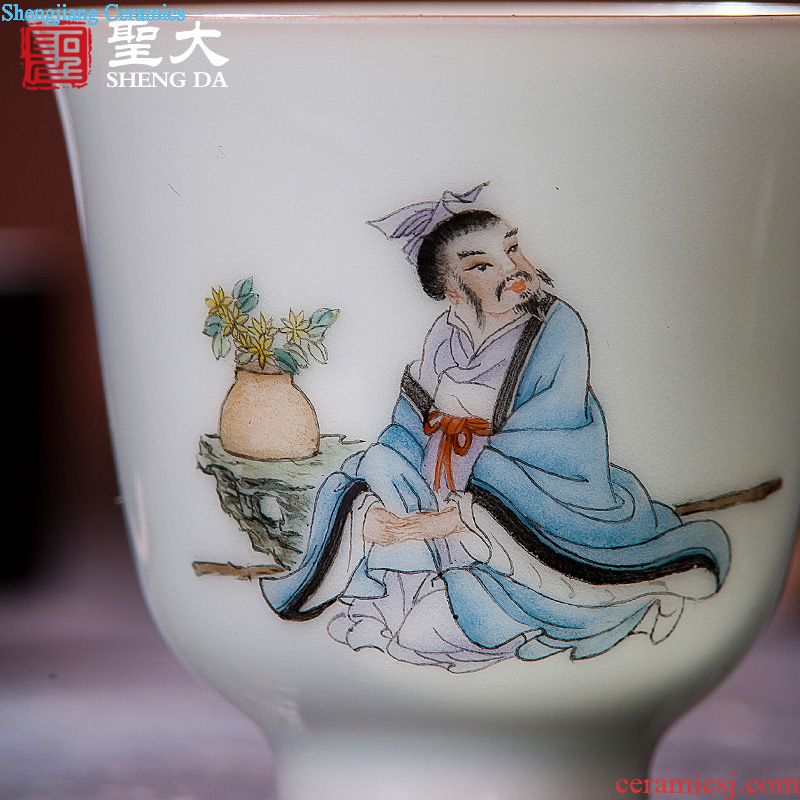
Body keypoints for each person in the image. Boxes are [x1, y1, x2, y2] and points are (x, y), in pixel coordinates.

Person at [261, 184, 731, 672]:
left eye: (512, 249)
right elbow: (408, 429)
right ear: (450, 287)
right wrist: (381, 507)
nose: (512, 270)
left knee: (428, 630)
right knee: (377, 590)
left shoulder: (556, 327)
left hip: (527, 507)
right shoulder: (443, 335)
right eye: (482, 266)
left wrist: (461, 517)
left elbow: (551, 438)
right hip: (440, 494)